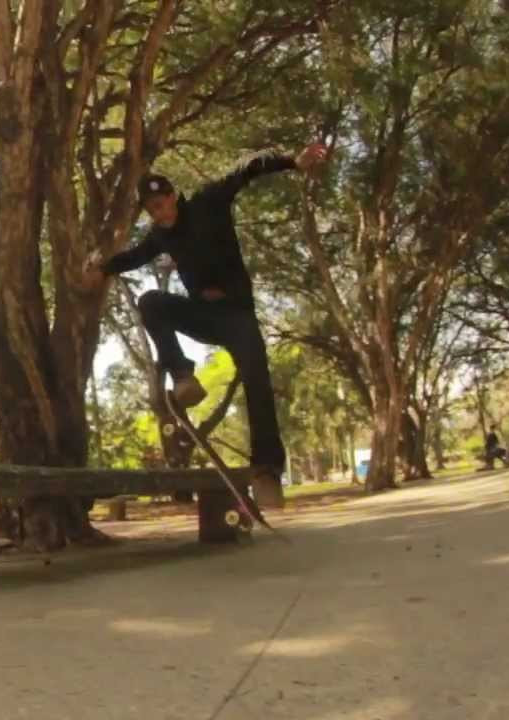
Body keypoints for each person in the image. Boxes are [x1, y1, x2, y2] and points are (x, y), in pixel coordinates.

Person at [83, 143, 329, 508]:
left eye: (163, 203)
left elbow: (247, 167)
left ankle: (266, 471)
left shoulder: (208, 201)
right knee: (151, 302)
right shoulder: (159, 236)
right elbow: (134, 257)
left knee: (257, 383)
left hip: (238, 316)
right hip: (203, 316)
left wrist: (293, 161)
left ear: (174, 197)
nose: (160, 212)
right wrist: (102, 268)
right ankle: (183, 375)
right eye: (152, 210)